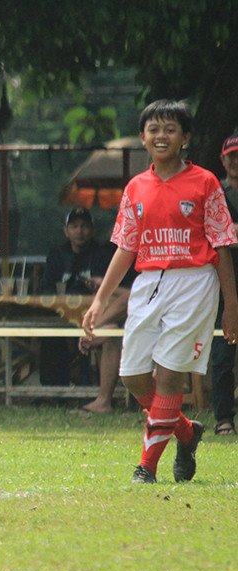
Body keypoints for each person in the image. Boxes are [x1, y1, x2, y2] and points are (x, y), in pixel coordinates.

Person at [83, 99, 238, 484]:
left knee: (169, 377)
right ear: (142, 138)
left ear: (185, 138)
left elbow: (222, 247)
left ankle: (146, 467)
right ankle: (185, 432)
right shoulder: (136, 187)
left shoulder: (205, 183)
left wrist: (230, 305)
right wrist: (101, 298)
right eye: (153, 129)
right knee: (133, 376)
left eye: (170, 129)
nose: (161, 135)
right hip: (149, 282)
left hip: (194, 281)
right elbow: (125, 247)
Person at [37, 206, 134, 413]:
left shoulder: (105, 254)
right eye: (74, 226)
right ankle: (52, 391)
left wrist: (103, 286)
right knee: (47, 335)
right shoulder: (57, 255)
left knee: (109, 330)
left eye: (84, 226)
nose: (79, 231)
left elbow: (129, 294)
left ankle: (106, 397)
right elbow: (43, 288)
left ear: (93, 230)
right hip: (59, 315)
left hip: (104, 315)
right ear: (66, 231)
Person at [209, 133, 238, 435]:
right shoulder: (213, 191)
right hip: (222, 282)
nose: (236, 161)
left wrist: (228, 235)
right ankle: (223, 418)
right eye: (231, 155)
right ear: (223, 159)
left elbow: (224, 235)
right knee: (222, 352)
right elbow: (213, 235)